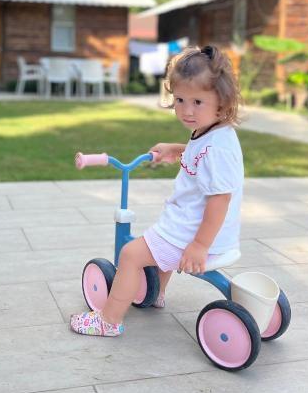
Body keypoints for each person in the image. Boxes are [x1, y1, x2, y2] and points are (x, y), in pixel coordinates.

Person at [70, 44, 244, 337]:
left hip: (197, 235)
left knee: (130, 254)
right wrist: (177, 149)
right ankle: (157, 293)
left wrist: (199, 246)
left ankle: (108, 320)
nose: (186, 110)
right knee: (158, 241)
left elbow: (220, 199)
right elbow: (202, 155)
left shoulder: (216, 148)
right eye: (180, 99)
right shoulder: (215, 133)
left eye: (197, 102)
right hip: (194, 228)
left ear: (222, 101)